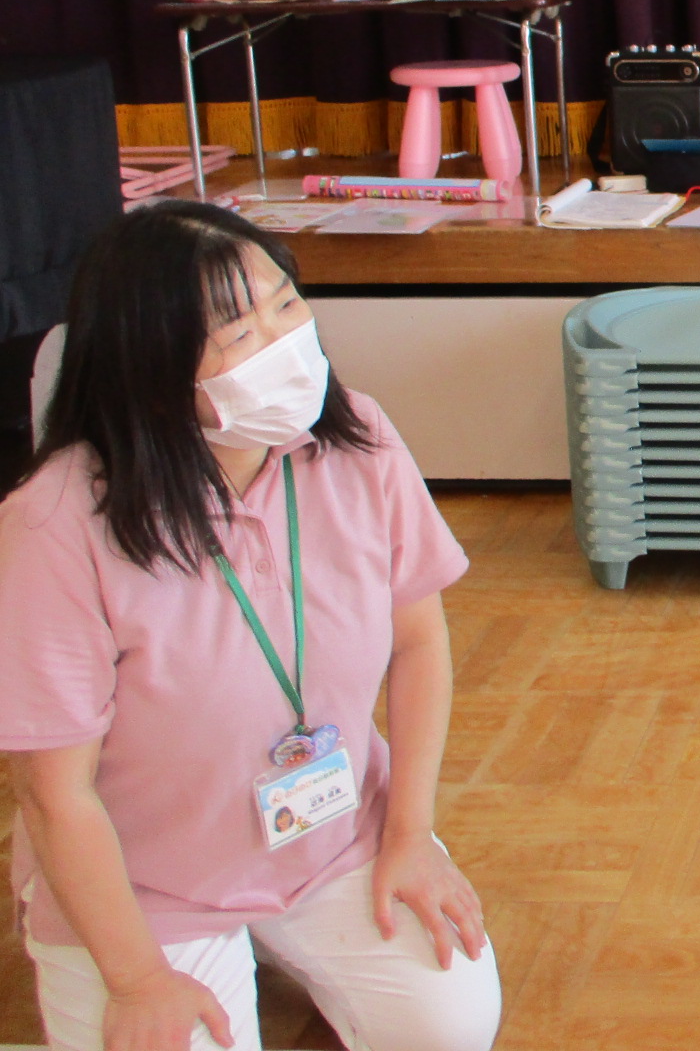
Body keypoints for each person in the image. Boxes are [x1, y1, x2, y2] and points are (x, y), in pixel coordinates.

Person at [0, 202, 500, 1051]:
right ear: (149, 364)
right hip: (146, 883)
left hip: (334, 831)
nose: (284, 341)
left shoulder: (356, 437)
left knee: (447, 1026)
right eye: (238, 332)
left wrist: (411, 835)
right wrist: (137, 978)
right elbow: (55, 794)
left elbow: (419, 642)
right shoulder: (53, 524)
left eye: (287, 303)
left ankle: (279, 940)